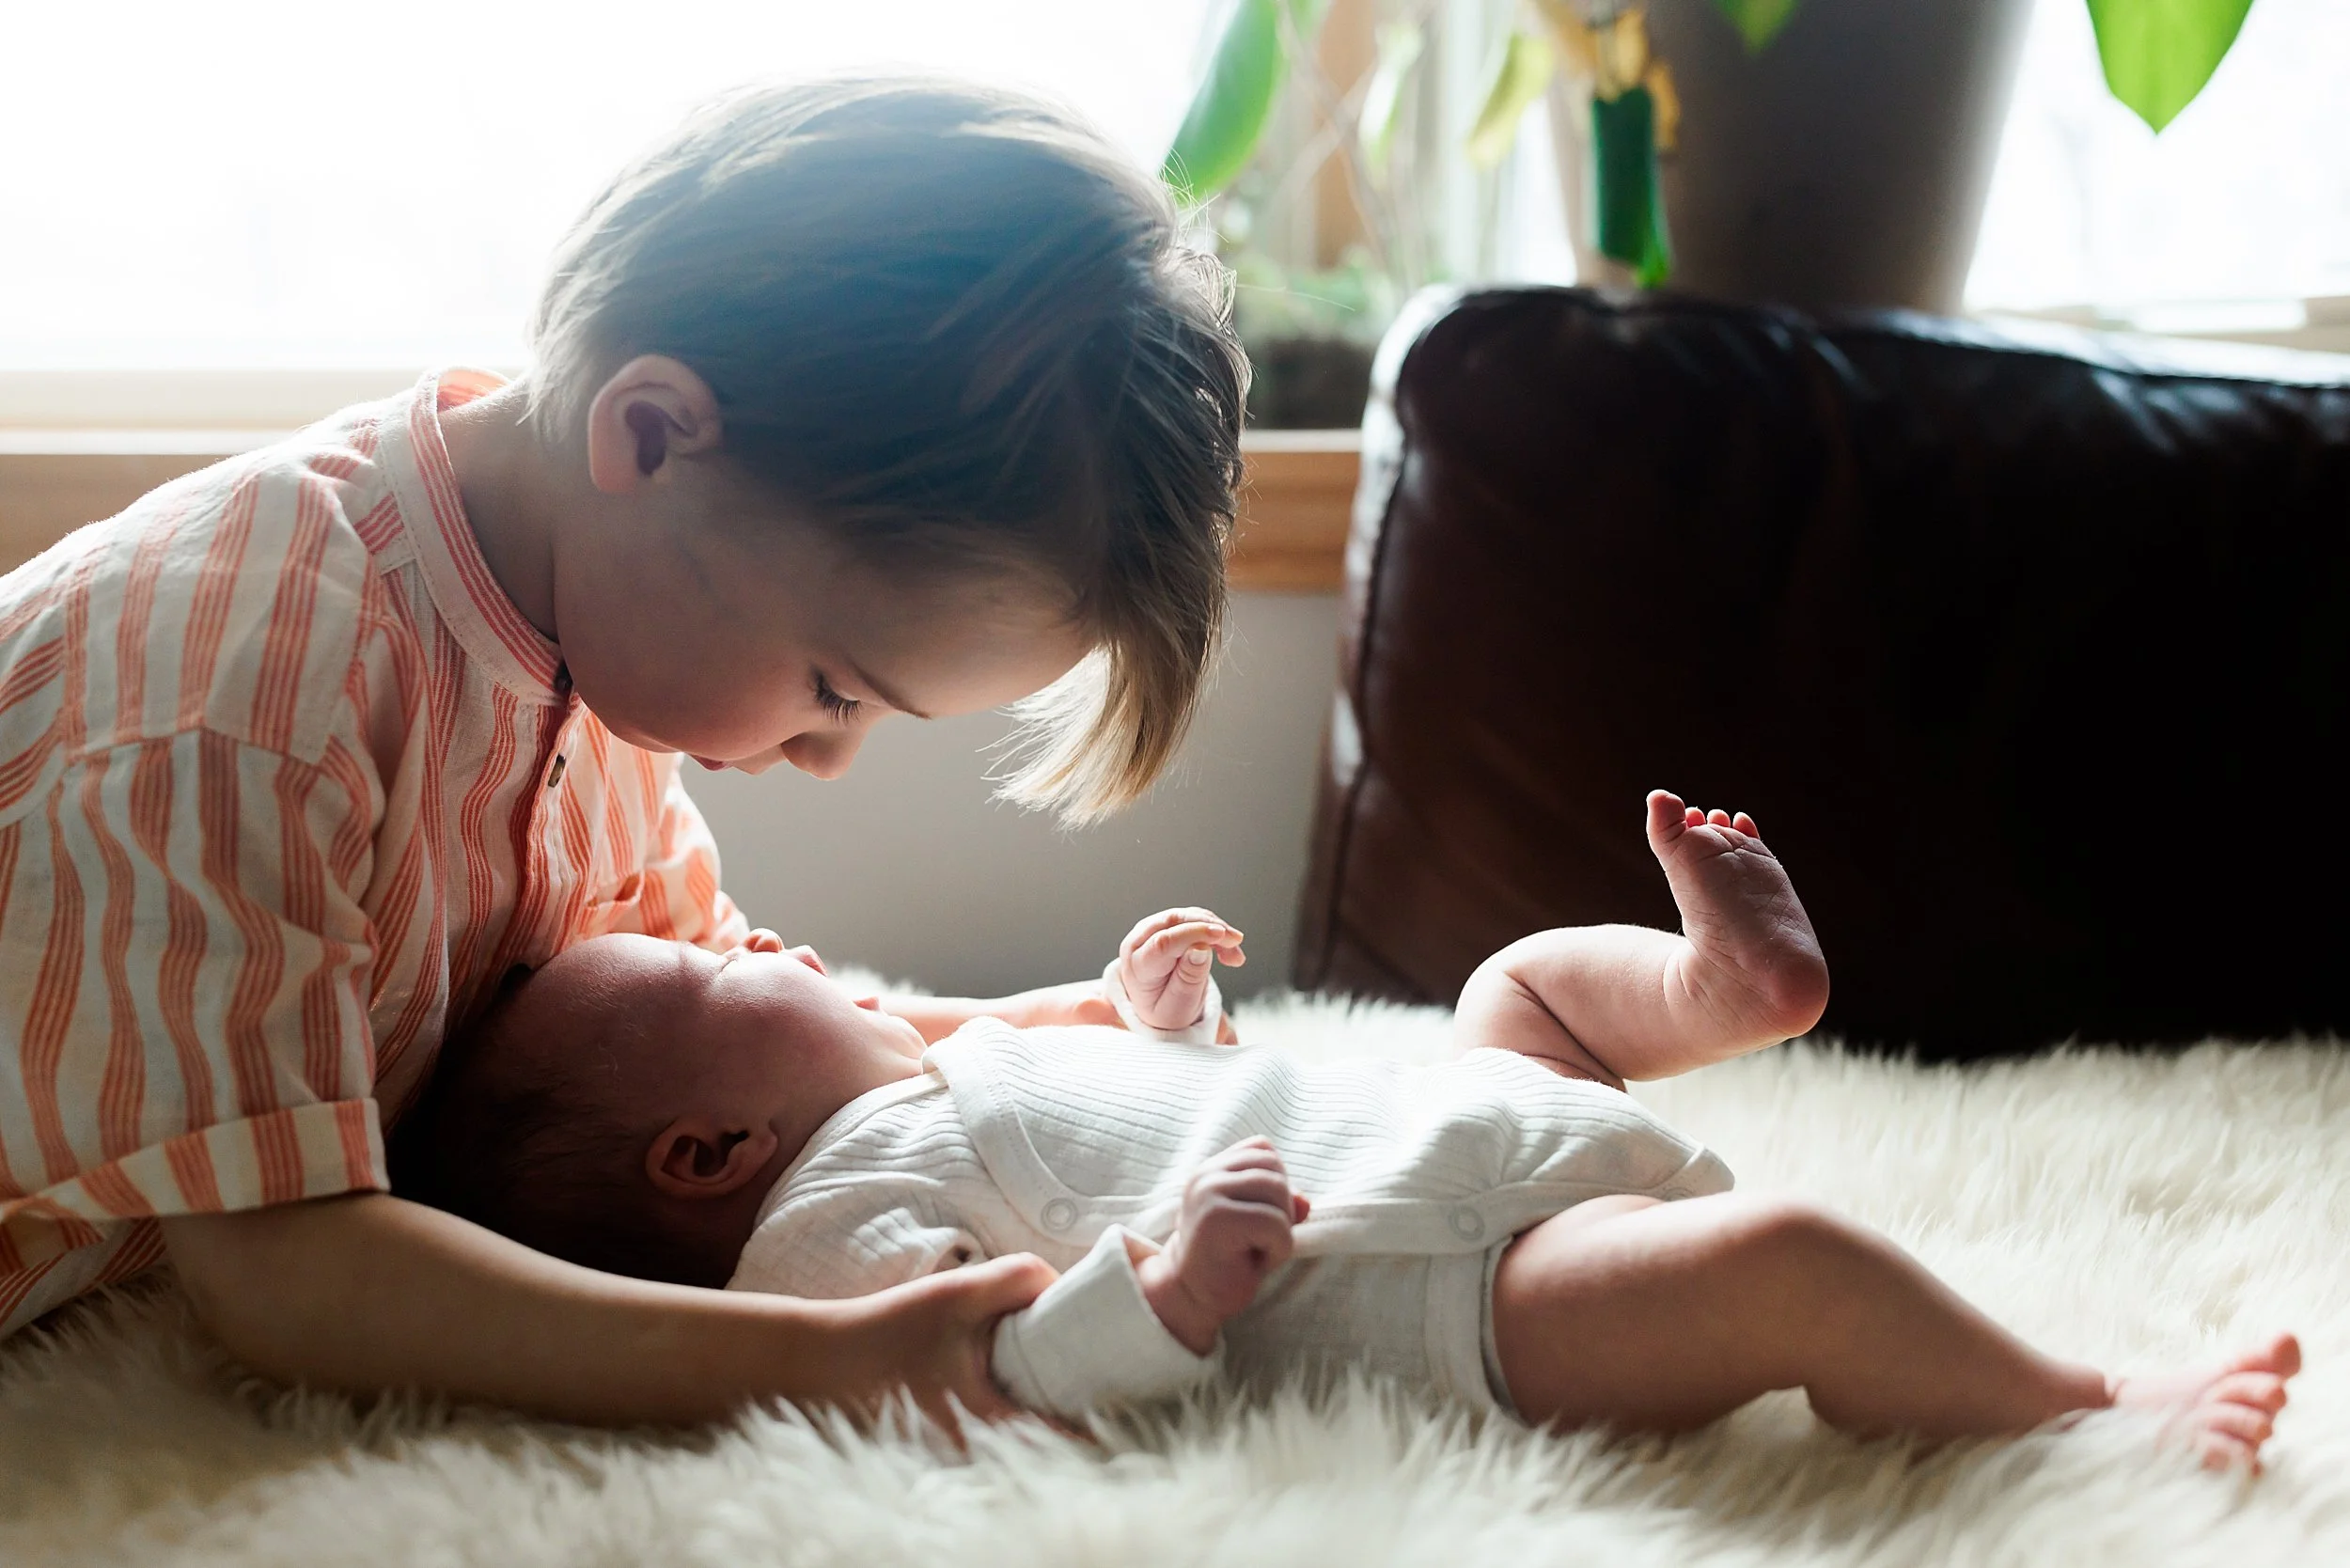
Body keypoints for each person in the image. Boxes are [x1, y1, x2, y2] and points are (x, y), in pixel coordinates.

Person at [0, 77, 1246, 1428]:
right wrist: (837, 1361)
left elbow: (743, 1016)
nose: (827, 761)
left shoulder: (578, 633)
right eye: (833, 688)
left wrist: (1053, 1025)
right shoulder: (244, 691)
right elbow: (284, 1272)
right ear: (648, 436)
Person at [407, 792, 2300, 1471]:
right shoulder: (833, 1224)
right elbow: (986, 1371)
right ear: (703, 1156)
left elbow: (1148, 1108)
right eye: (737, 981)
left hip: (1441, 1114)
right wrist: (1154, 1295)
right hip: (1457, 1287)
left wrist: (1161, 1028)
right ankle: (2075, 1401)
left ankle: (1723, 999)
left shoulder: (927, 1076)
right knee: (1777, 1264)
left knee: (1520, 990)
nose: (794, 953)